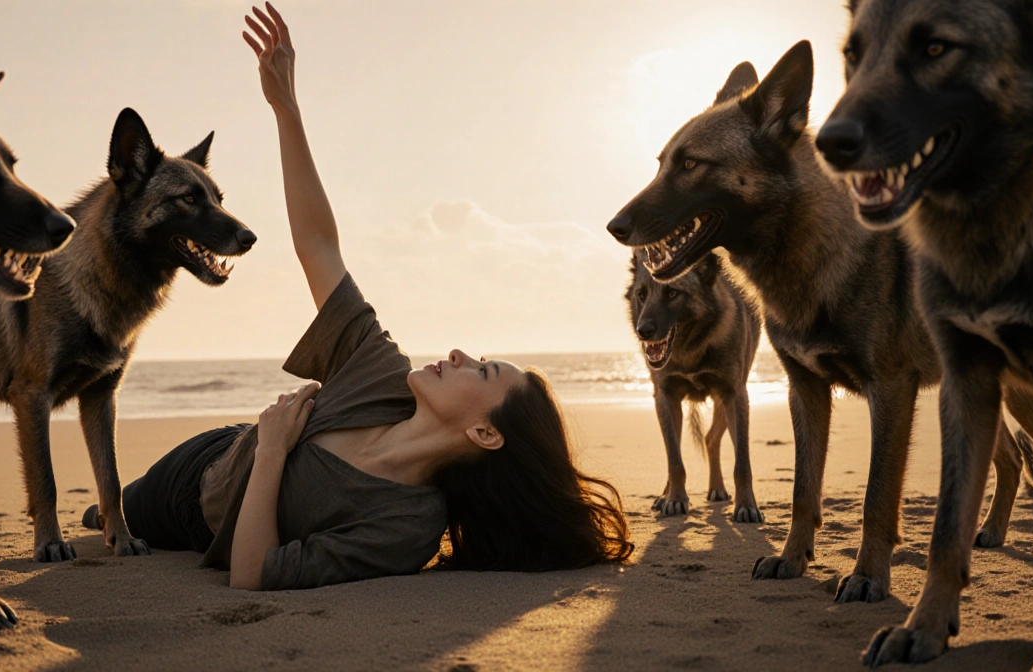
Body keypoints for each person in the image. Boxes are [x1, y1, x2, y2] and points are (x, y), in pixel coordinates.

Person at [86, 2, 633, 591]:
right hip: (208, 456)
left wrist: (272, 450)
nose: (459, 355)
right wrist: (285, 108)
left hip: (197, 513)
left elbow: (253, 574)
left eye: (484, 369)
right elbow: (319, 247)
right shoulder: (381, 373)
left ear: (485, 434)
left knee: (125, 517)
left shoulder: (408, 526)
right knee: (107, 514)